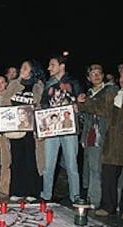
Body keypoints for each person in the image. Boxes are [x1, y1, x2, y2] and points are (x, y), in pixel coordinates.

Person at [78, 60, 123, 221]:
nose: (122, 78)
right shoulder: (115, 95)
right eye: (121, 75)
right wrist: (84, 103)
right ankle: (108, 206)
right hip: (113, 145)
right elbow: (99, 108)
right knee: (108, 176)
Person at [39, 54, 83, 204]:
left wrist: (77, 103)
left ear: (61, 66)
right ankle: (46, 195)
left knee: (72, 164)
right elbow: (43, 105)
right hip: (52, 129)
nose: (48, 68)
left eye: (52, 65)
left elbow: (82, 100)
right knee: (48, 164)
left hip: (68, 128)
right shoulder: (48, 84)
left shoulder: (73, 82)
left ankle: (75, 196)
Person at [0, 59, 45, 202]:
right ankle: (17, 191)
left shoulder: (38, 86)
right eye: (22, 67)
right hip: (14, 128)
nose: (22, 70)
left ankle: (32, 191)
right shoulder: (14, 84)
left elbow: (40, 107)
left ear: (32, 70)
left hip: (30, 129)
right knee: (16, 158)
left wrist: (40, 129)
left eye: (25, 68)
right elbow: (5, 101)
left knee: (31, 159)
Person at [80, 64, 119, 209]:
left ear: (103, 75)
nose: (96, 76)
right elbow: (87, 117)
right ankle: (93, 200)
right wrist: (83, 137)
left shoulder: (111, 90)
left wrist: (84, 103)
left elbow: (103, 109)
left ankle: (112, 201)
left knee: (109, 171)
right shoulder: (89, 93)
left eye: (98, 73)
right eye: (92, 74)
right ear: (88, 78)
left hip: (107, 135)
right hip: (92, 135)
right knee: (93, 169)